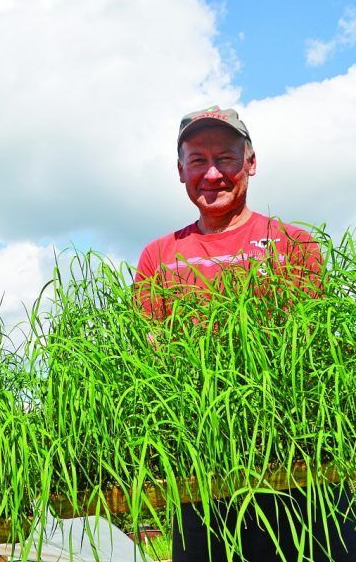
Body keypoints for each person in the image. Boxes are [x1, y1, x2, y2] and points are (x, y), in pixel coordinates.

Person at [134, 106, 354, 561]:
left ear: (250, 163)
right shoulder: (158, 256)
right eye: (198, 160)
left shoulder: (294, 244)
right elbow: (153, 359)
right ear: (180, 171)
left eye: (226, 159)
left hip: (299, 475)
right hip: (202, 483)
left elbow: (303, 354)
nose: (212, 173)